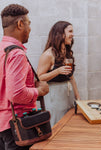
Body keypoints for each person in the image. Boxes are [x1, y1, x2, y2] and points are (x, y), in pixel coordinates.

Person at [0, 4, 49, 150]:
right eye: (29, 23)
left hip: (4, 126)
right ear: (20, 24)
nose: (30, 28)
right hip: (19, 128)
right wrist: (40, 91)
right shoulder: (16, 54)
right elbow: (16, 93)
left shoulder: (2, 49)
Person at [37, 21, 80, 127]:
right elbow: (40, 77)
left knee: (68, 124)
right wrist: (57, 71)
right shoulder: (48, 54)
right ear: (60, 34)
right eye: (70, 31)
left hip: (67, 94)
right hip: (54, 96)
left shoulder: (67, 52)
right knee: (56, 124)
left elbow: (71, 77)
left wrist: (78, 97)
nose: (72, 35)